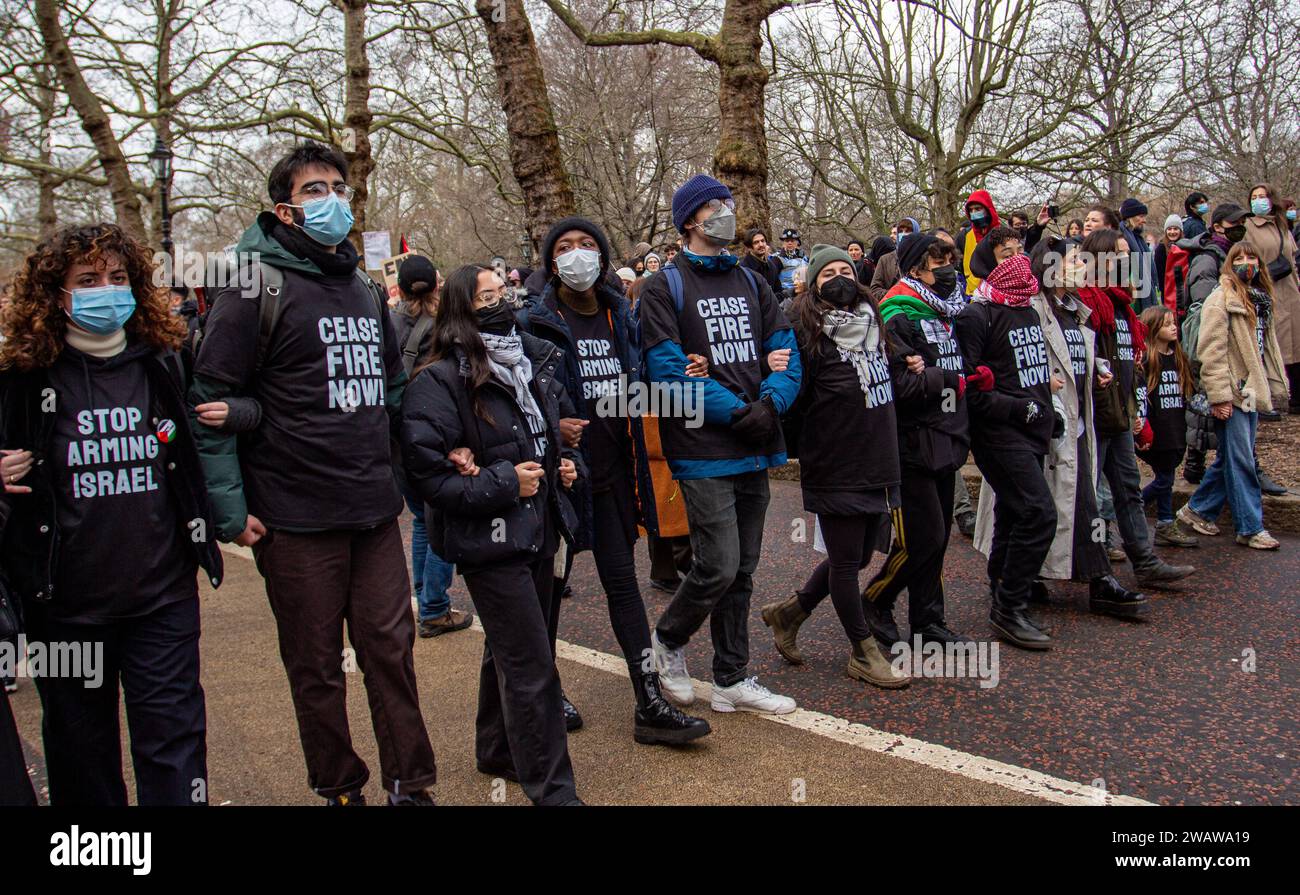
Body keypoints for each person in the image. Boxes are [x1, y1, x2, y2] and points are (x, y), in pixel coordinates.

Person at [190, 141, 437, 806]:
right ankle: (339, 785)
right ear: (284, 210)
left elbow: (391, 391)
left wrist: (425, 464)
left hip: (373, 510)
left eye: (337, 186)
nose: (330, 199)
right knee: (317, 666)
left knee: (391, 651)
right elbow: (210, 402)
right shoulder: (253, 286)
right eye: (313, 190)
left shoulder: (362, 290)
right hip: (294, 517)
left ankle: (409, 785)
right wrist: (230, 510)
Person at [0, 223, 226, 805]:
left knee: (174, 746)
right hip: (64, 609)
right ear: (56, 295)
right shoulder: (20, 379)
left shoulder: (161, 360)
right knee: (82, 760)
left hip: (162, 598)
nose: (107, 289)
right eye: (88, 280)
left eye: (118, 278)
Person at [516, 216, 710, 745]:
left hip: (615, 475)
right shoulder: (533, 319)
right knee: (548, 591)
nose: (576, 254)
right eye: (564, 247)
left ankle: (649, 700)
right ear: (550, 260)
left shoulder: (620, 313)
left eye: (586, 245)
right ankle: (545, 689)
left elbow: (637, 389)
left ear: (602, 255)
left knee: (623, 587)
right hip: (561, 480)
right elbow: (516, 397)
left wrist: (680, 378)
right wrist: (554, 426)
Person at [402, 264, 584, 804]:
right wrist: (507, 482)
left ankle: (496, 748)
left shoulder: (527, 363)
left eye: (502, 291)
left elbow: (547, 437)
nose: (501, 302)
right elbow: (428, 474)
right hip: (491, 540)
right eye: (486, 297)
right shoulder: (438, 379)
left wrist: (565, 464)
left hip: (541, 531)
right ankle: (554, 791)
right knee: (532, 667)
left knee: (510, 648)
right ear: (460, 309)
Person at [640, 174, 802, 715]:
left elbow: (785, 350)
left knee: (745, 570)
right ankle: (667, 641)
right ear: (690, 220)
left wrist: (772, 403)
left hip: (755, 443)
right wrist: (740, 410)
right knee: (718, 565)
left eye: (728, 204)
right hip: (702, 449)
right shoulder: (666, 286)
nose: (727, 212)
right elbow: (667, 371)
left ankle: (732, 676)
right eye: (715, 206)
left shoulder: (754, 280)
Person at [973, 238, 1147, 618]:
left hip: (1076, 422)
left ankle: (1091, 579)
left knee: (1080, 503)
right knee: (1038, 509)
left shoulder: (1075, 310)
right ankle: (1013, 587)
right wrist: (1040, 389)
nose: (1082, 267)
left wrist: (1094, 368)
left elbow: (1073, 355)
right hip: (1038, 422)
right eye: (1073, 260)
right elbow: (1014, 363)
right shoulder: (1028, 308)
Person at [760, 245, 908, 688]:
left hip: (878, 455)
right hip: (835, 458)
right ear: (813, 284)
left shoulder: (874, 322)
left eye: (846, 270)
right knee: (846, 561)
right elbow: (791, 393)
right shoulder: (805, 332)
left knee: (860, 555)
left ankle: (791, 612)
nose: (840, 279)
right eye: (828, 274)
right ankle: (863, 652)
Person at [858, 234, 973, 648]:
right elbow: (900, 383)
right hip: (911, 442)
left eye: (949, 259)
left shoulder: (945, 312)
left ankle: (928, 621)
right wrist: (947, 380)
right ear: (914, 269)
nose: (947, 268)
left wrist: (948, 378)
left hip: (945, 436)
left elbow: (949, 369)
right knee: (921, 539)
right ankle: (875, 600)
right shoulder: (896, 312)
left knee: (938, 538)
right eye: (937, 261)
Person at [1077, 228, 1195, 588]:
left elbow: (1130, 368)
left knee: (1128, 490)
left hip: (1121, 417)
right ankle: (1095, 569)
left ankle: (1144, 562)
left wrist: (1136, 414)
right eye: (1119, 254)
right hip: (1095, 418)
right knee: (1090, 499)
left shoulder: (1125, 308)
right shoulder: (1087, 303)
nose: (1126, 261)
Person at [954, 253, 1058, 649]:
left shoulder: (1027, 312)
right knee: (1039, 512)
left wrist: (1048, 413)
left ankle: (1003, 583)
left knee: (1014, 512)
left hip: (1033, 430)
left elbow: (1032, 374)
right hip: (998, 435)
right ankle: (1009, 609)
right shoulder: (977, 317)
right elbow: (970, 389)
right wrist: (1018, 408)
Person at [1177, 243, 1290, 550]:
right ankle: (1250, 527)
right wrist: (1220, 397)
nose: (1246, 263)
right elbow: (1210, 352)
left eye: (1252, 257)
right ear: (1228, 264)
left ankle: (1196, 511)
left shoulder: (1259, 300)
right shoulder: (1220, 299)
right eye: (1238, 258)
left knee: (1230, 457)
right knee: (1242, 461)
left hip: (1251, 390)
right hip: (1233, 392)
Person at [391, 255, 469, 637]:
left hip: (399, 442)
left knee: (423, 520)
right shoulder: (447, 327)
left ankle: (424, 596)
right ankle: (435, 606)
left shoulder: (387, 325)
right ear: (437, 285)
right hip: (438, 439)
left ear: (401, 289)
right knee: (441, 520)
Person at [1136, 305, 1197, 547]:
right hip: (1156, 431)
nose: (1174, 327)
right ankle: (1134, 508)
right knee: (1164, 480)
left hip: (1175, 429)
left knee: (1167, 478)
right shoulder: (1148, 359)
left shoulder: (1179, 357)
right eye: (1167, 324)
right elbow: (1141, 394)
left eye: (1174, 323)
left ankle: (1164, 522)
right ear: (1153, 329)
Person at [1244, 183, 1300, 414]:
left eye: (1262, 196)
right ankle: (1268, 399)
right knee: (1269, 345)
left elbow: (1292, 259)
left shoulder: (1282, 225)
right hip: (1266, 292)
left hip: (1291, 292)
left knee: (1296, 346)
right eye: (1254, 197)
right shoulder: (1247, 226)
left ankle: (1296, 398)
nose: (1258, 200)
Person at [1119, 198, 1157, 311]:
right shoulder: (1121, 236)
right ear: (1129, 216)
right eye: (1140, 216)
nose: (1144, 220)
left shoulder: (1137, 239)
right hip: (1130, 294)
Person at [959, 190, 1000, 294]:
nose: (974, 213)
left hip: (998, 291)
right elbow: (958, 263)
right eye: (971, 210)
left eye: (978, 209)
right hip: (972, 294)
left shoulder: (1001, 233)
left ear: (987, 209)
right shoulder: (965, 235)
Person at [868, 217, 919, 301]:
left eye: (908, 231)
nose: (904, 234)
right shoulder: (885, 260)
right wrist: (896, 294)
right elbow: (874, 290)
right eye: (901, 231)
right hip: (893, 308)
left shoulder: (924, 257)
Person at [740, 227, 784, 296]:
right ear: (749, 247)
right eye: (756, 242)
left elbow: (778, 291)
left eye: (762, 241)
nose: (761, 244)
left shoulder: (771, 266)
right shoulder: (743, 268)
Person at [1153, 215, 1184, 308]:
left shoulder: (1186, 246)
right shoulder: (1161, 249)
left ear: (1180, 231)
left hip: (1183, 289)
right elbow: (1159, 274)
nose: (1172, 232)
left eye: (1175, 229)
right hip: (1167, 291)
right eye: (1169, 229)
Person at [777, 228, 809, 298]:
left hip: (803, 294)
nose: (790, 243)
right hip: (785, 295)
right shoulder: (776, 258)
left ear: (797, 242)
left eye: (792, 240)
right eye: (787, 241)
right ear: (783, 242)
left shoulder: (805, 258)